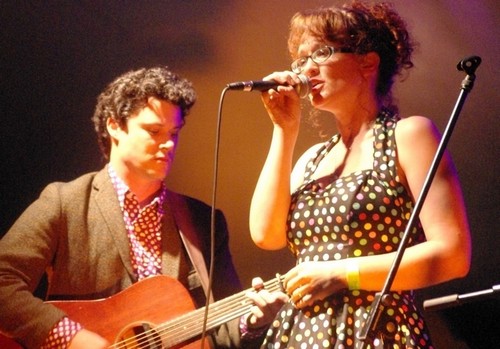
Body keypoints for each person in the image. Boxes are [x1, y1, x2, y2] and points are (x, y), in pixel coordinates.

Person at [0, 66, 284, 349]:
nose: (168, 144)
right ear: (114, 126)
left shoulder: (202, 221)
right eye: (153, 131)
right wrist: (71, 337)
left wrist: (252, 321)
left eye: (174, 133)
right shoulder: (66, 202)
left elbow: (222, 331)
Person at [249, 1, 471, 348]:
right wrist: (284, 129)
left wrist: (343, 274)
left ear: (368, 61)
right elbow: (266, 234)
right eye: (300, 60)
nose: (305, 70)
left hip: (378, 329)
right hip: (302, 334)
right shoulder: (312, 159)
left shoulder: (409, 136)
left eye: (320, 53)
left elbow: (452, 254)